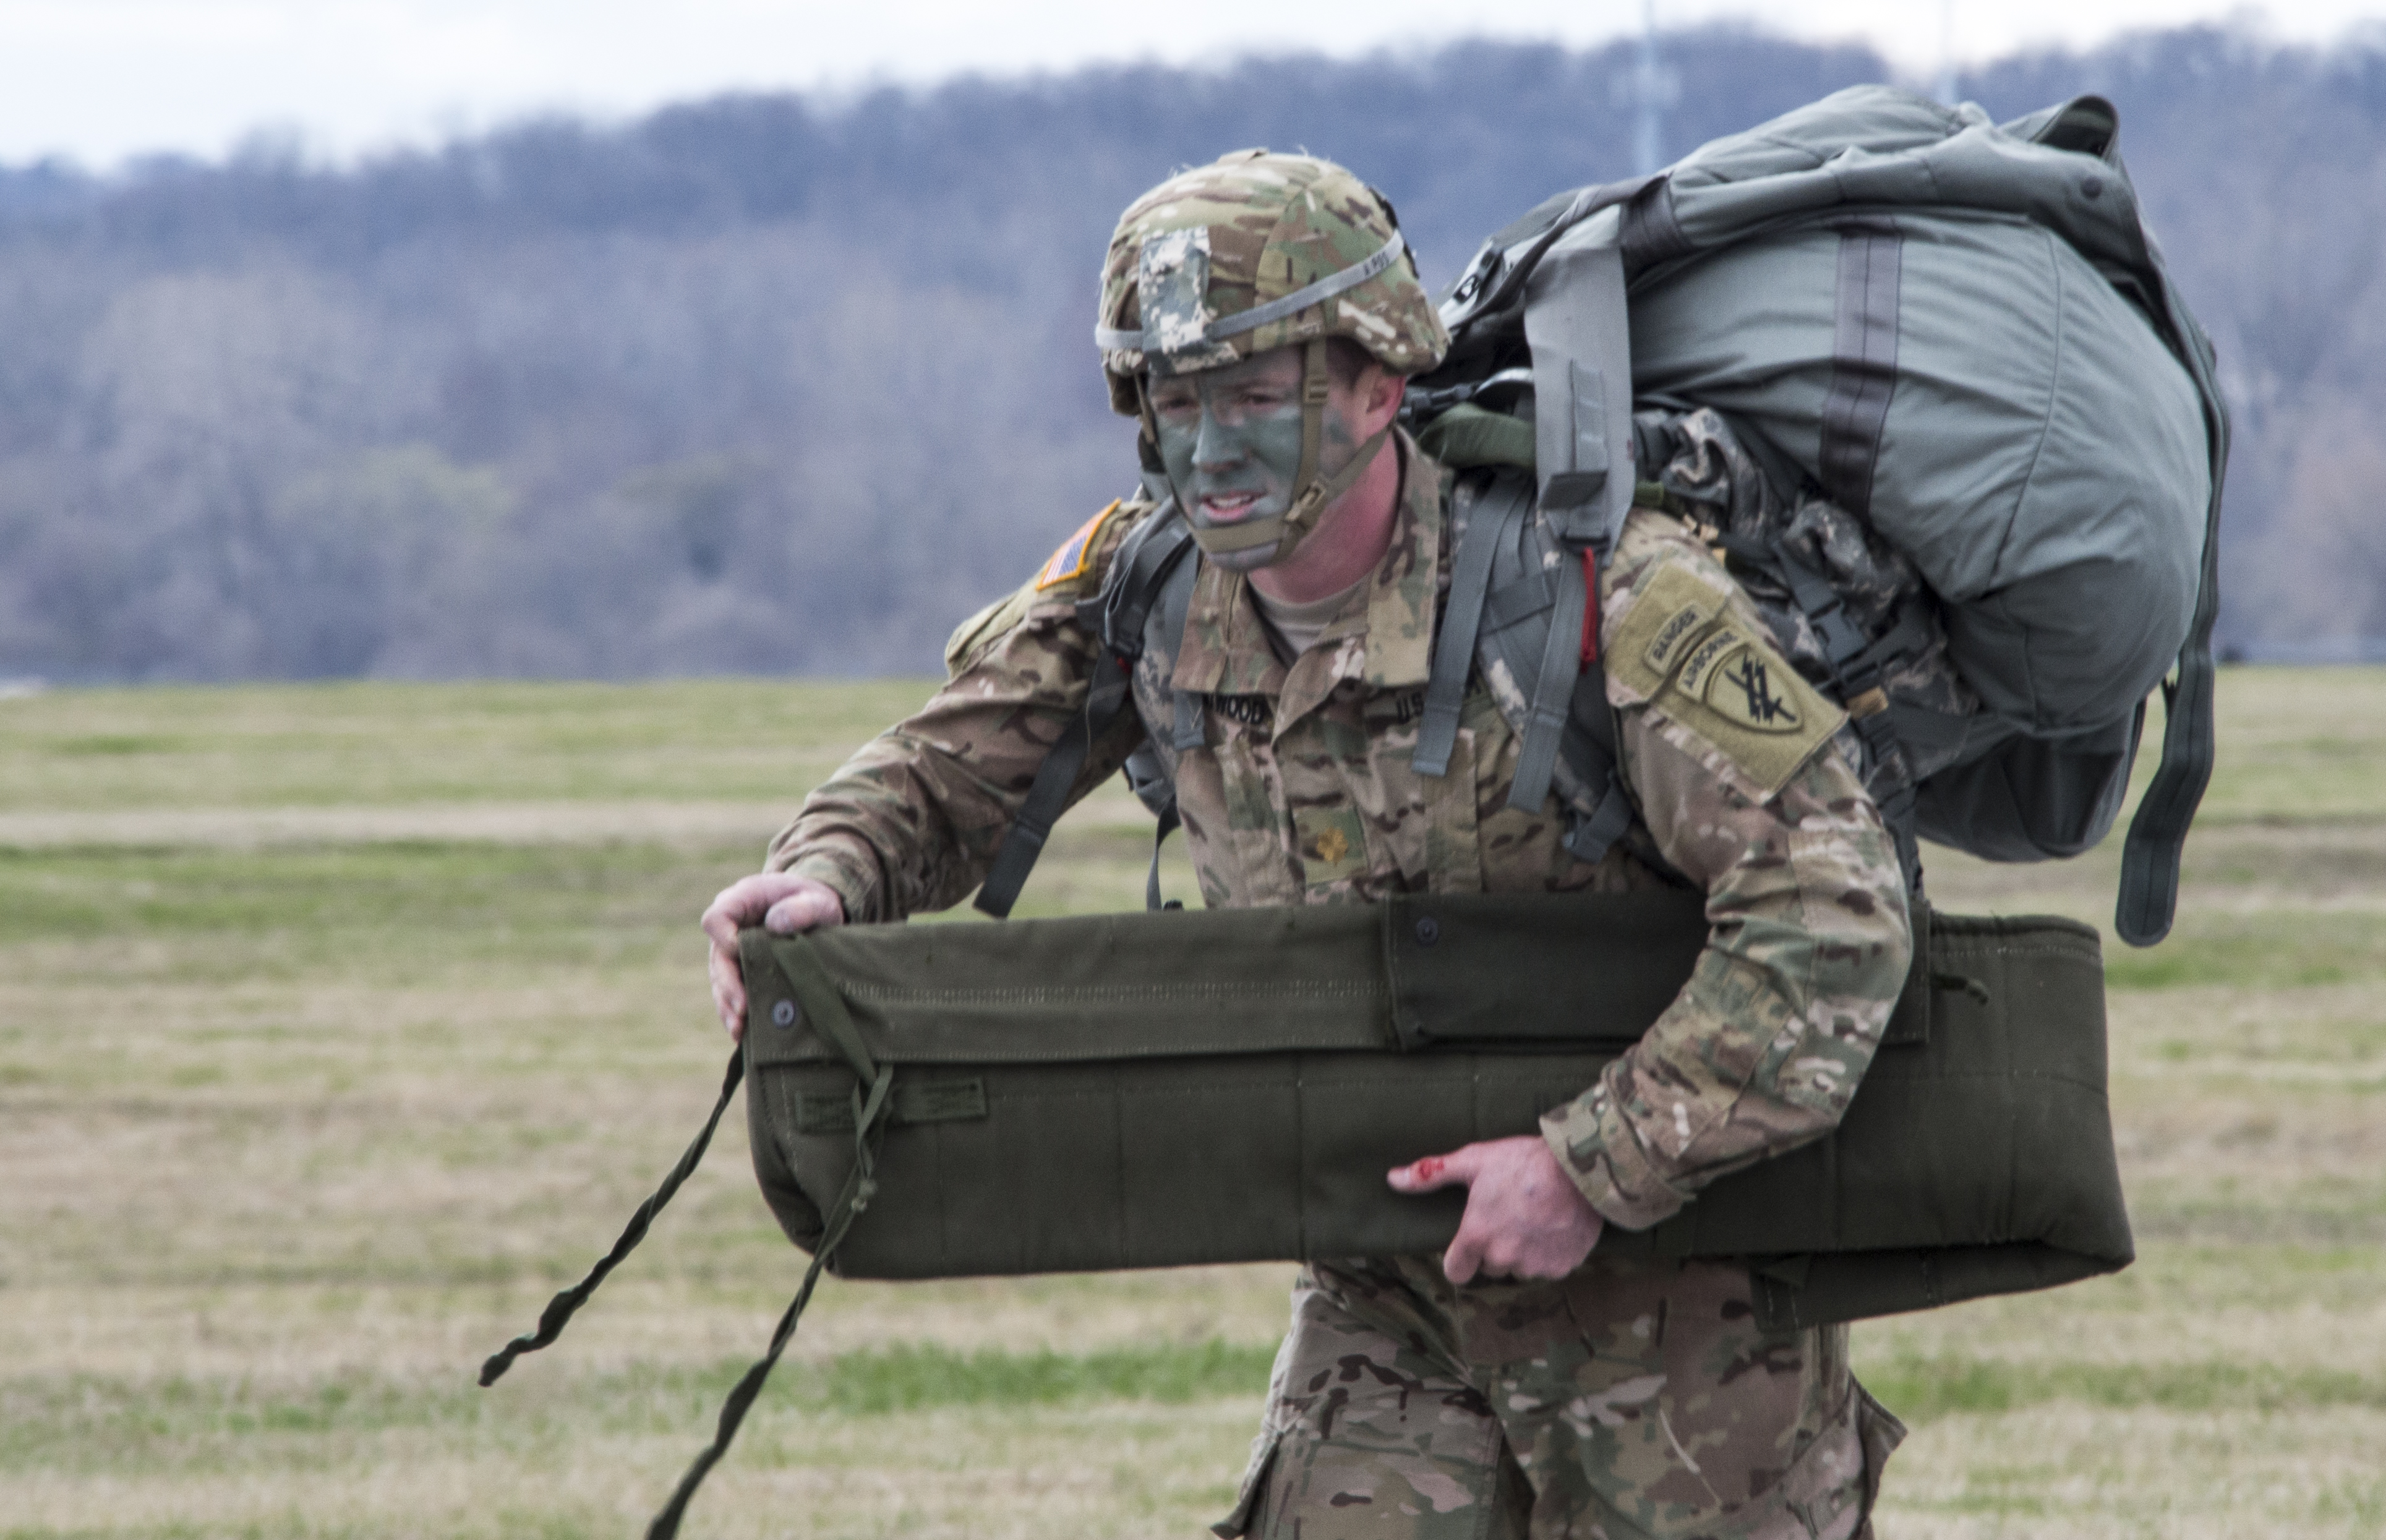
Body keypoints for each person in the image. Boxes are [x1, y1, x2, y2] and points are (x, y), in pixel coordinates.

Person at [703, 149, 1912, 1539]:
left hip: (1682, 1325)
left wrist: (1590, 1168)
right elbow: (943, 769)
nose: (1210, 448)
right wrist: (822, 873)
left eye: (1258, 397)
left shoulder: (1599, 594)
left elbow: (1831, 916)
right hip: (1382, 1306)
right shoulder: (1141, 585)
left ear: (1378, 388)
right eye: (1177, 398)